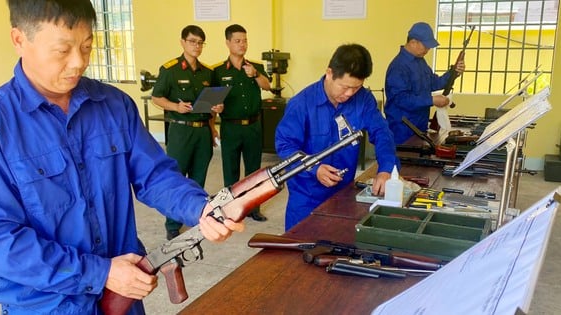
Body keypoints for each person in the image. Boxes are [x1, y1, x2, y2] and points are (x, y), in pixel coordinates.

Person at [0, 1, 243, 314]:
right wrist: (102, 273)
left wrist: (201, 207)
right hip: (46, 305)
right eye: (62, 50)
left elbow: (154, 175)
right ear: (19, 40)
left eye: (87, 46)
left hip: (124, 299)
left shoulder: (114, 105)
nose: (78, 63)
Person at [275, 44, 399, 231]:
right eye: (345, 87)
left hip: (344, 196)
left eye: (356, 88)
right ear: (329, 73)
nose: (349, 94)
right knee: (298, 252)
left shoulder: (363, 100)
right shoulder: (301, 104)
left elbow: (382, 133)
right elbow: (285, 146)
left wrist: (386, 169)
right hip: (306, 199)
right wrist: (314, 169)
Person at [151, 25, 224, 240]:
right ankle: (172, 223)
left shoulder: (208, 72)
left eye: (200, 42)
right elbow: (157, 97)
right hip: (181, 131)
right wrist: (175, 107)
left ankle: (194, 216)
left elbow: (212, 102)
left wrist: (215, 118)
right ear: (182, 42)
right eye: (192, 41)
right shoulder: (170, 69)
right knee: (175, 177)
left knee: (198, 177)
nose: (197, 46)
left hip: (202, 132)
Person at [212, 24, 271, 222]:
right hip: (231, 126)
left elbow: (268, 85)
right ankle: (231, 208)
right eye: (237, 41)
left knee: (254, 171)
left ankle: (254, 208)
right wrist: (214, 119)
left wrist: (255, 74)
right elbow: (212, 101)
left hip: (253, 126)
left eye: (245, 40)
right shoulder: (218, 71)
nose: (242, 44)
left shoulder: (255, 67)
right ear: (228, 43)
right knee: (231, 170)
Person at [384, 22, 466, 144]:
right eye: (426, 46)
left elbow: (434, 82)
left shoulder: (420, 62)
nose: (427, 50)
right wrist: (432, 100)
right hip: (402, 130)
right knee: (404, 160)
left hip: (419, 127)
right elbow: (401, 99)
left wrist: (453, 72)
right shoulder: (398, 66)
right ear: (413, 42)